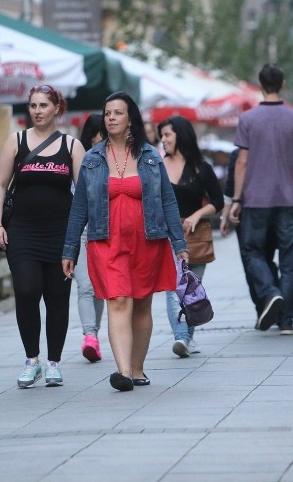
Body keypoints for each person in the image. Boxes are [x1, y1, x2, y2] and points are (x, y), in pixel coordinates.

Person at [62, 91, 187, 392]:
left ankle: (138, 368)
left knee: (142, 304)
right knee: (118, 300)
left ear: (130, 118)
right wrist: (70, 249)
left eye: (118, 113)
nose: (111, 118)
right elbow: (79, 206)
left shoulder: (149, 155)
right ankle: (123, 372)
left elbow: (168, 201)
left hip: (147, 240)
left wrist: (179, 244)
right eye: (107, 113)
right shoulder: (92, 159)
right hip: (106, 241)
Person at [0, 85, 85, 388]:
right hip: (22, 231)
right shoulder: (16, 141)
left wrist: (82, 232)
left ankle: (54, 362)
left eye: (44, 105)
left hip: (61, 233)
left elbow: (84, 193)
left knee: (57, 298)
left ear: (57, 108)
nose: (37, 111)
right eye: (33, 105)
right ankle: (32, 360)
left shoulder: (71, 146)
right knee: (27, 290)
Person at [228, 64, 293, 335]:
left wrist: (237, 199)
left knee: (253, 251)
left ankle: (269, 291)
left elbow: (241, 162)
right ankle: (287, 321)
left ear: (260, 84)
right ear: (283, 84)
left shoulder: (248, 119)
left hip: (255, 199)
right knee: (288, 260)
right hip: (289, 198)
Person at [158, 115, 224, 357]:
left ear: (181, 135)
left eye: (167, 135)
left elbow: (217, 202)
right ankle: (182, 337)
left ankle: (186, 338)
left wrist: (197, 215)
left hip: (195, 237)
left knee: (192, 289)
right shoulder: (157, 166)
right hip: (168, 237)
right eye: (162, 136)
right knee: (172, 288)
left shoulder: (200, 167)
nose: (163, 140)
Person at [220, 147, 281, 320]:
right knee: (267, 260)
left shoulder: (238, 154)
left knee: (252, 260)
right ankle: (276, 304)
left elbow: (230, 189)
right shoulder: (274, 150)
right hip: (277, 211)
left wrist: (225, 217)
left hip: (246, 213)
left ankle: (263, 306)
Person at [75, 113, 105, 362]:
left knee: (100, 288)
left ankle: (94, 332)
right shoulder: (79, 159)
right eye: (101, 133)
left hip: (107, 231)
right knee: (85, 284)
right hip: (83, 230)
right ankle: (90, 336)